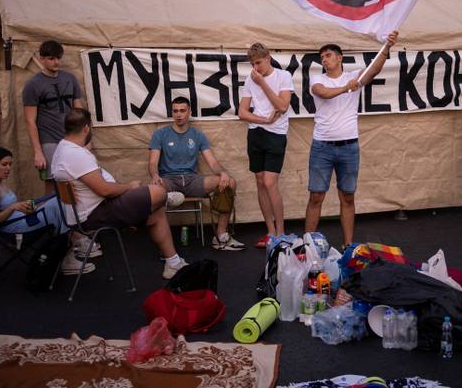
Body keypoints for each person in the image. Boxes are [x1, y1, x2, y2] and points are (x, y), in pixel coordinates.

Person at [53, 108, 188, 279]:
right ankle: (164, 198)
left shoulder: (62, 148)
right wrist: (129, 186)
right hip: (96, 214)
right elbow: (104, 190)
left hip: (90, 211)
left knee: (157, 212)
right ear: (87, 128)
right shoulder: (75, 155)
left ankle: (173, 263)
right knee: (158, 192)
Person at [305, 31, 398, 246]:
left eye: (328, 55)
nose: (324, 59)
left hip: (349, 147)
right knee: (316, 196)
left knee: (348, 198)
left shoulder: (354, 76)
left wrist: (387, 47)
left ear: (339, 58)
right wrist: (347, 87)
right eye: (322, 57)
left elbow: (374, 69)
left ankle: (348, 246)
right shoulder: (318, 79)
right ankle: (306, 246)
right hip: (322, 147)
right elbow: (322, 92)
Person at [149, 97, 244, 251]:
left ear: (189, 112)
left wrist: (223, 173)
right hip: (169, 179)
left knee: (230, 182)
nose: (178, 114)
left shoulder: (198, 135)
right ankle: (163, 241)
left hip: (192, 180)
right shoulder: (160, 134)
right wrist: (155, 175)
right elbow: (152, 164)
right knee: (154, 190)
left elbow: (212, 163)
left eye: (182, 110)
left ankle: (220, 235)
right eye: (175, 111)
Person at [0, 147, 94, 275]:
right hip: (15, 228)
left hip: (22, 219)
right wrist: (13, 207)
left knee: (57, 201)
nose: (8, 168)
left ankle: (71, 248)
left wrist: (23, 208)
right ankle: (71, 251)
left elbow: (9, 209)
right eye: (4, 164)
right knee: (59, 205)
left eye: (9, 164)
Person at [237, 43, 293, 248]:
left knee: (270, 182)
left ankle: (281, 233)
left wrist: (262, 83)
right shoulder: (250, 78)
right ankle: (270, 232)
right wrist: (263, 120)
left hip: (276, 135)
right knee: (260, 181)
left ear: (268, 57)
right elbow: (242, 113)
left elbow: (282, 106)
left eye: (258, 62)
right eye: (252, 64)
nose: (256, 68)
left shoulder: (282, 76)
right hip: (256, 133)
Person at [22, 40, 84, 194]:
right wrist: (38, 152)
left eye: (58, 58)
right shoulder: (33, 85)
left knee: (75, 179)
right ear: (41, 58)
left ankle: (70, 217)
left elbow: (79, 111)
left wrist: (84, 139)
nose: (56, 62)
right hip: (49, 139)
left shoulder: (70, 79)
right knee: (52, 183)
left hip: (71, 138)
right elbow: (30, 121)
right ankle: (52, 217)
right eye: (51, 58)